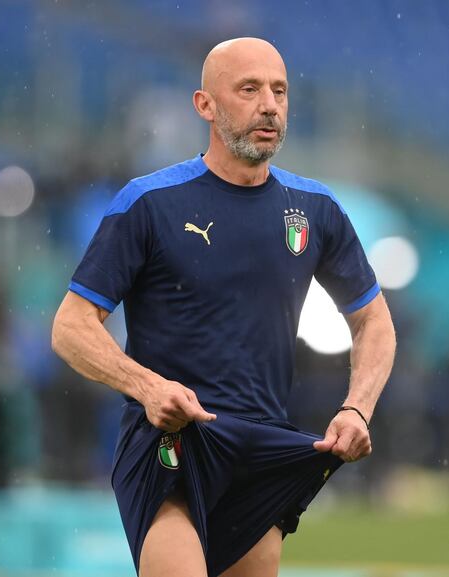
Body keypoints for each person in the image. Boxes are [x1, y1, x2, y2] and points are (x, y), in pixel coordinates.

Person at [51, 37, 396, 577]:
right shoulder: (149, 203)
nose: (269, 105)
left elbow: (373, 318)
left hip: (261, 445)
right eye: (249, 89)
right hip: (171, 442)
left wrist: (358, 407)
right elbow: (71, 326)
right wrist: (146, 387)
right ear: (205, 105)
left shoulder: (315, 210)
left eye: (280, 91)